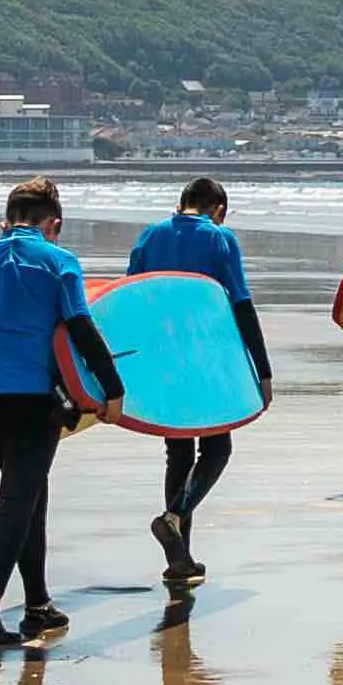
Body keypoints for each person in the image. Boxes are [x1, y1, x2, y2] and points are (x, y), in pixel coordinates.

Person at [0, 177, 118, 647]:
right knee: (19, 498)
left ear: (7, 220)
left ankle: (37, 605)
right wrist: (112, 389)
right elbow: (81, 328)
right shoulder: (59, 262)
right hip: (38, 400)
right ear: (52, 224)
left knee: (29, 492)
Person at [128, 175, 265, 584]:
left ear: (182, 202)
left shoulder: (149, 238)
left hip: (163, 359)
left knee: (179, 454)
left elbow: (132, 298)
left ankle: (179, 559)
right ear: (218, 210)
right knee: (218, 449)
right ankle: (175, 516)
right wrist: (263, 368)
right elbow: (241, 305)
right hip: (208, 358)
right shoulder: (221, 240)